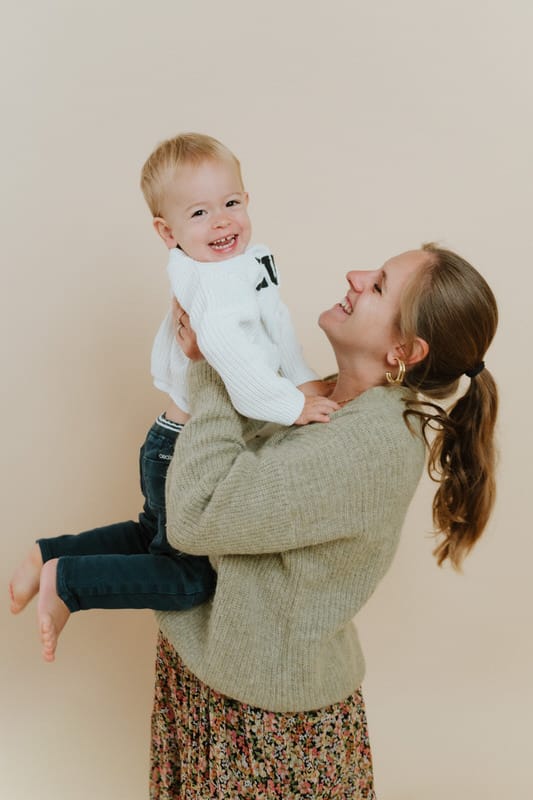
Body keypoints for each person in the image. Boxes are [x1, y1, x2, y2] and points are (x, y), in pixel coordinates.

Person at [149, 243, 498, 799]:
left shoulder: (366, 445)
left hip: (267, 731)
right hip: (224, 684)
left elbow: (195, 515)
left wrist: (215, 357)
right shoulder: (331, 396)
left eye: (380, 285)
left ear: (404, 349)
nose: (355, 276)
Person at [9, 133, 336, 663]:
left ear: (248, 200)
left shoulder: (248, 263)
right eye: (200, 213)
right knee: (191, 576)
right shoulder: (209, 285)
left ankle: (47, 555)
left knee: (149, 533)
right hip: (183, 450)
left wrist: (301, 380)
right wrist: (292, 407)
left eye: (231, 203)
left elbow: (277, 328)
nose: (222, 222)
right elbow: (230, 357)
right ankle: (68, 581)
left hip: (171, 440)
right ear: (168, 232)